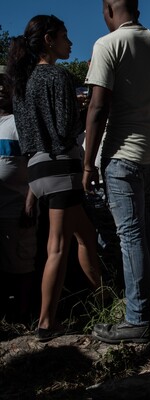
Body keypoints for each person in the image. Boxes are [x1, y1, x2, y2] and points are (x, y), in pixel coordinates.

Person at [83, 0, 150, 344]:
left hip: (122, 154)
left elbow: (98, 106)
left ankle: (137, 319)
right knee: (141, 232)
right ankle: (144, 304)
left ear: (108, 10)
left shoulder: (108, 44)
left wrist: (87, 162)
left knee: (130, 237)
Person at [6, 15, 102, 341]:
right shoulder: (56, 76)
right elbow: (64, 129)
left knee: (85, 236)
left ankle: (102, 300)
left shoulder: (22, 80)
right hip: (60, 166)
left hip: (37, 169)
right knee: (58, 246)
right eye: (65, 36)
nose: (70, 42)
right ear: (49, 40)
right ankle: (46, 322)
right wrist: (85, 110)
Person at [0, 65, 36, 324]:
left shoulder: (20, 123)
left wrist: (29, 204)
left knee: (22, 268)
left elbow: (36, 164)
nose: (1, 87)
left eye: (5, 82)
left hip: (17, 211)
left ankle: (22, 318)